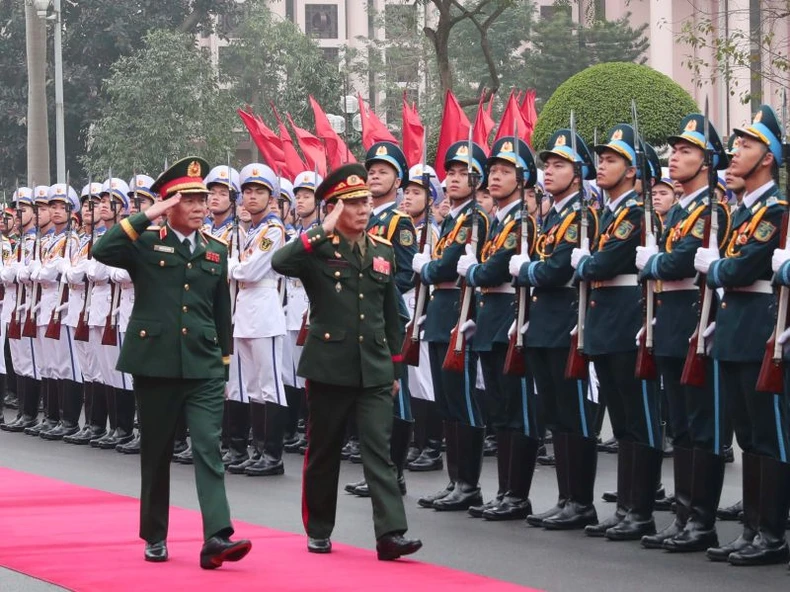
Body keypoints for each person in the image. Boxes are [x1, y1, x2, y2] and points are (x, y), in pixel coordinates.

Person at [91, 156, 251, 568]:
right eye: (191, 199)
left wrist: (225, 364)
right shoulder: (144, 243)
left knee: (207, 447)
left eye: (206, 198)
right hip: (156, 363)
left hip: (203, 365)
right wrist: (149, 214)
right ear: (169, 203)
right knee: (157, 451)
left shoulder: (217, 250)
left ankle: (217, 535)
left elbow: (221, 312)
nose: (202, 205)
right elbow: (102, 249)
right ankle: (155, 534)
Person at [272, 163, 422, 560]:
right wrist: (323, 228)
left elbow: (393, 316)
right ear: (336, 208)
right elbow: (280, 263)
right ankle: (319, 528)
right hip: (329, 365)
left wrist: (393, 368)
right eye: (353, 203)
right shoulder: (317, 247)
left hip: (373, 367)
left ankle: (390, 533)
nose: (363, 209)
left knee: (379, 451)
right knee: (323, 451)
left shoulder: (382, 250)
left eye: (366, 201)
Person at [699, 105, 788, 566]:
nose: (735, 153)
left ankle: (771, 534)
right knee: (749, 437)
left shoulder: (776, 211)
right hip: (734, 334)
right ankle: (752, 528)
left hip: (760, 336)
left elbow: (743, 267)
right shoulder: (741, 211)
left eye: (747, 146)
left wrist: (714, 268)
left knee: (769, 437)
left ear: (768, 158)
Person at [636, 113, 730, 553]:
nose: (674, 158)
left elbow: (678, 263)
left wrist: (650, 263)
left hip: (698, 323)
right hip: (671, 324)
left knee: (701, 424)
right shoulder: (679, 210)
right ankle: (684, 513)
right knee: (681, 426)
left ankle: (702, 521)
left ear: (708, 162)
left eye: (686, 151)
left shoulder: (711, 210)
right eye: (674, 151)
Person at [571, 124, 663, 541]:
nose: (601, 165)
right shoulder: (610, 211)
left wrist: (584, 263)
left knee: (639, 419)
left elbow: (604, 264)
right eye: (601, 159)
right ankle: (626, 507)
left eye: (611, 160)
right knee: (623, 422)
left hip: (628, 320)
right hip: (607, 320)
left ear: (632, 170)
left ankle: (640, 510)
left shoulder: (634, 213)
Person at [511, 128, 600, 530]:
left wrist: (526, 270)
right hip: (544, 325)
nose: (548, 170)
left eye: (558, 165)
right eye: (547, 164)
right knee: (557, 416)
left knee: (574, 415)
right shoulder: (554, 215)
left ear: (578, 173)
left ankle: (580, 501)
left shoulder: (582, 216)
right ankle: (566, 498)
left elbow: (555, 269)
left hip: (566, 322)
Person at [456, 137, 539, 521]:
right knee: (500, 413)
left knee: (516, 410)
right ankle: (504, 490)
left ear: (522, 179)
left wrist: (471, 271)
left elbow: (493, 270)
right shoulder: (500, 221)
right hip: (492, 319)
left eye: (505, 171)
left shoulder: (521, 221)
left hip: (510, 319)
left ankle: (517, 494)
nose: (496, 177)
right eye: (492, 172)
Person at [410, 140, 490, 513]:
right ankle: (454, 478)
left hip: (460, 310)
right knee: (447, 403)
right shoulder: (453, 219)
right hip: (441, 312)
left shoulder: (474, 219)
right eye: (452, 173)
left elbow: (444, 268)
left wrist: (424, 266)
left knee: (462, 403)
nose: (455, 179)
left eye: (464, 174)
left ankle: (468, 483)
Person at [226, 163, 288, 478]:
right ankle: (257, 448)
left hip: (264, 310)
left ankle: (273, 454)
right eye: (248, 191)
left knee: (270, 385)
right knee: (251, 386)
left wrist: (233, 265)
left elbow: (250, 271)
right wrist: (239, 265)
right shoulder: (251, 231)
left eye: (259, 191)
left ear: (270, 197)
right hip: (245, 311)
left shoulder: (273, 230)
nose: (252, 197)